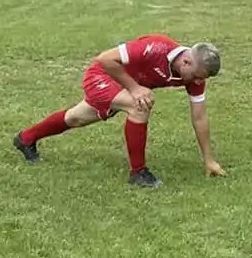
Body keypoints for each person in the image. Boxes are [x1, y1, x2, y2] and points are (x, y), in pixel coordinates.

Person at [13, 35, 224, 189]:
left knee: (76, 118)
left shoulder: (195, 77)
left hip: (122, 86)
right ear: (186, 61)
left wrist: (209, 160)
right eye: (197, 76)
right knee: (139, 105)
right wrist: (134, 88)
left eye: (202, 78)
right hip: (101, 76)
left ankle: (25, 139)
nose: (199, 82)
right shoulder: (156, 47)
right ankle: (138, 173)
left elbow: (199, 117)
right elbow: (105, 59)